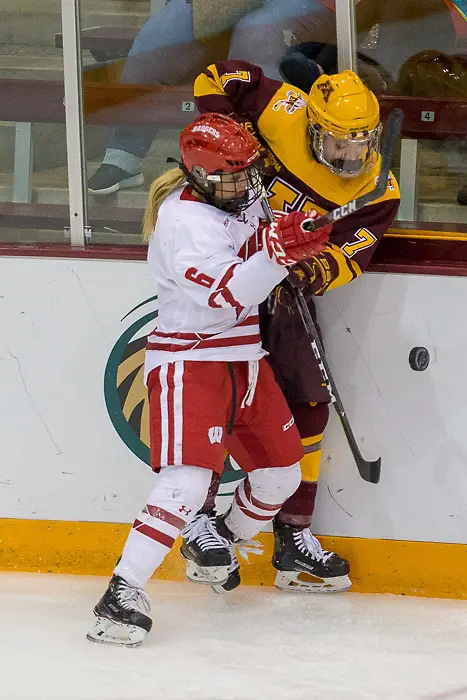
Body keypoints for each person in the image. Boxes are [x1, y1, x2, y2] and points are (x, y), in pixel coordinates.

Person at [86, 112, 332, 647]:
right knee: (186, 484)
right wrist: (279, 253)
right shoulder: (182, 223)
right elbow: (230, 293)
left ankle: (217, 540)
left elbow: (261, 243)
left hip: (244, 358)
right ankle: (121, 592)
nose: (245, 187)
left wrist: (295, 234)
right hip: (188, 361)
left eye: (249, 175)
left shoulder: (241, 191)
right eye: (232, 178)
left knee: (281, 476)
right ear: (197, 175)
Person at [179, 63, 400, 594]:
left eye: (361, 144)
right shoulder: (284, 111)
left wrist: (312, 267)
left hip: (284, 290)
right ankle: (201, 522)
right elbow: (215, 78)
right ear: (312, 125)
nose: (350, 158)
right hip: (225, 269)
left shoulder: (377, 187)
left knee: (308, 402)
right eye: (337, 143)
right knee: (213, 396)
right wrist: (235, 131)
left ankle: (292, 537)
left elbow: (351, 252)